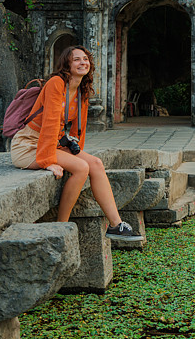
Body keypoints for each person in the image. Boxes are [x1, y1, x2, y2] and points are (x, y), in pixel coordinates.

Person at [10, 45, 142, 242]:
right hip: (29, 145)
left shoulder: (82, 89)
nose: (83, 63)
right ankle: (61, 226)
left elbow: (79, 128)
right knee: (81, 168)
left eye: (86, 59)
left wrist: (75, 149)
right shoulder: (56, 83)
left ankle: (116, 225)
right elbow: (50, 122)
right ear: (67, 64)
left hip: (52, 143)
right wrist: (47, 161)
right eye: (77, 59)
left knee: (95, 163)